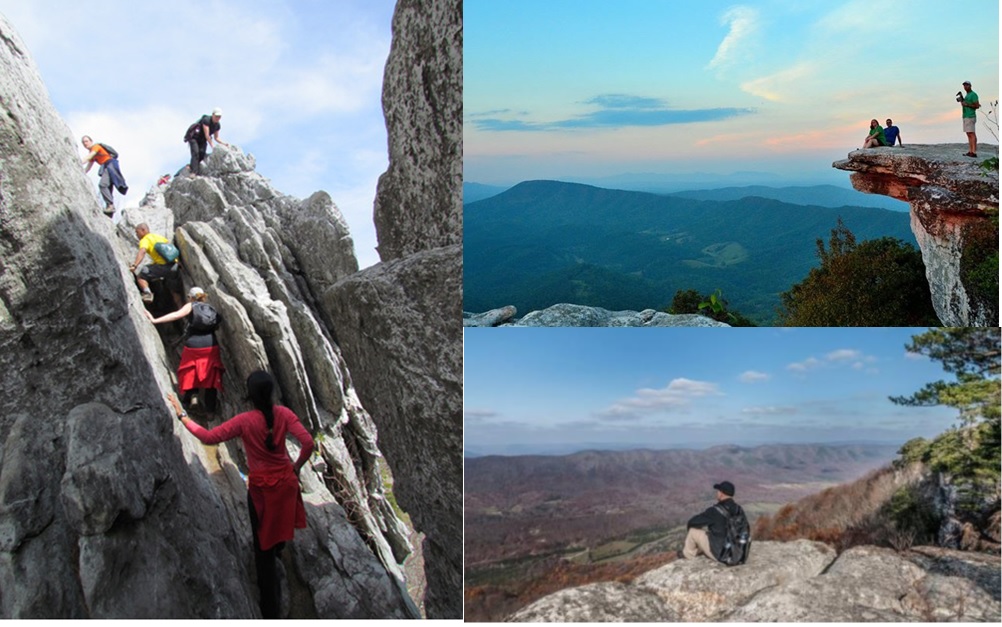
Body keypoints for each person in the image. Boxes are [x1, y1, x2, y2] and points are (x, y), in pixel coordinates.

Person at [167, 371, 314, 619]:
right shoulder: (284, 414)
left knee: (262, 551)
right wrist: (296, 467)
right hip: (286, 484)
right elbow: (308, 442)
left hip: (262, 491)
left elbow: (209, 436)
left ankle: (270, 611)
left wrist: (182, 415)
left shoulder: (245, 421)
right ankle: (278, 548)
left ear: (250, 396)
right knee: (279, 528)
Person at [146, 287, 224, 413]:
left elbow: (176, 315)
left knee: (190, 371)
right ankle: (210, 411)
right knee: (211, 377)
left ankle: (192, 396)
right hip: (211, 345)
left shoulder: (191, 306)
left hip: (193, 345)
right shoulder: (210, 309)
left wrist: (155, 320)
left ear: (191, 297)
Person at [682, 481, 747, 563]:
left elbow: (693, 522)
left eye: (718, 491)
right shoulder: (739, 509)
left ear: (721, 494)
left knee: (693, 531)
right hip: (737, 553)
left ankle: (689, 558)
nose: (717, 493)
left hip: (721, 554)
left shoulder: (715, 510)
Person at [130, 223, 178, 303]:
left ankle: (147, 293)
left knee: (141, 276)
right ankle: (182, 311)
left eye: (137, 232)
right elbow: (171, 249)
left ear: (143, 230)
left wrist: (135, 265)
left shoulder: (145, 239)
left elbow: (142, 251)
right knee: (175, 291)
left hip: (162, 266)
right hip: (174, 266)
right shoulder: (158, 237)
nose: (136, 235)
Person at [81, 136, 128, 216]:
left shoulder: (96, 147)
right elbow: (89, 166)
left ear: (91, 141)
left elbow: (89, 157)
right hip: (107, 167)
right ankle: (109, 211)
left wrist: (78, 162)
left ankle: (110, 206)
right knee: (107, 187)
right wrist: (82, 172)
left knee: (102, 185)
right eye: (83, 142)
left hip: (110, 165)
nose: (85, 143)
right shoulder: (92, 153)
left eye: (86, 141)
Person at [184, 107, 229, 176]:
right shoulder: (206, 120)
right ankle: (193, 172)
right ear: (213, 115)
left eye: (219, 117)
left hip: (203, 139)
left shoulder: (217, 125)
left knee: (202, 153)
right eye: (216, 116)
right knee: (196, 152)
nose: (217, 118)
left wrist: (224, 143)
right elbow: (207, 135)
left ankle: (191, 166)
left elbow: (216, 138)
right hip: (194, 137)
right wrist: (213, 146)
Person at [960, 80, 980, 157]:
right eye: (964, 85)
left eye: (967, 85)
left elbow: (977, 105)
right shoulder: (967, 95)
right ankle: (971, 151)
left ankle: (974, 152)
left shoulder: (973, 94)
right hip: (965, 116)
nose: (965, 87)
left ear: (970, 86)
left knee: (971, 133)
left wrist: (967, 104)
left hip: (970, 116)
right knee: (968, 133)